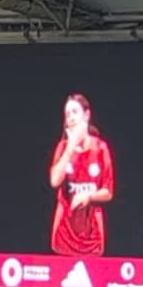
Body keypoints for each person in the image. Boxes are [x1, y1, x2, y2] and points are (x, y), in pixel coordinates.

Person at [48, 93, 114, 257]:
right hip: (64, 234)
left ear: (87, 115)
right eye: (67, 114)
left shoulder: (101, 148)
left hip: (92, 236)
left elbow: (108, 192)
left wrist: (89, 197)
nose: (71, 118)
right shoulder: (63, 148)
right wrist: (71, 147)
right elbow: (55, 181)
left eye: (75, 112)